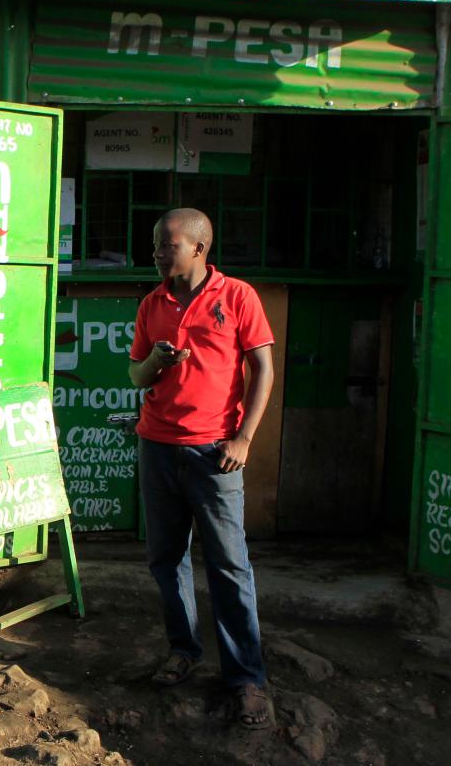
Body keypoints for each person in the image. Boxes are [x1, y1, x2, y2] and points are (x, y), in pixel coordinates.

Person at [128, 207, 274, 729]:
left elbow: (263, 368)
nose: (157, 253)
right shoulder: (153, 302)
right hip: (157, 446)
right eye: (154, 245)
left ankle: (246, 679)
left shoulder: (237, 297)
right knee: (167, 560)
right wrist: (157, 364)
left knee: (229, 565)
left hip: (215, 453)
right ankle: (183, 651)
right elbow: (135, 374)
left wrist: (245, 437)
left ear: (198, 247)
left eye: (166, 244)